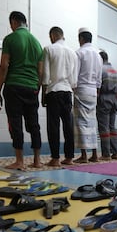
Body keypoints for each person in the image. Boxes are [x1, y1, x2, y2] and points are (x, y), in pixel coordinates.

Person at [0, 11, 43, 170]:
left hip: (14, 85)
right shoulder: (37, 43)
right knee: (34, 124)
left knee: (15, 123)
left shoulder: (10, 38)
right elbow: (41, 71)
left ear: (13, 22)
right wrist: (37, 87)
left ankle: (20, 161)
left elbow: (4, 66)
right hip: (32, 87)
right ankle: (37, 160)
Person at [42, 26, 78, 167]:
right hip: (68, 91)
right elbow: (74, 80)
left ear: (52, 35)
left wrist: (43, 94)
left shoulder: (48, 49)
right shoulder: (73, 53)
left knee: (53, 126)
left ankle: (55, 158)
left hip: (53, 91)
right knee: (68, 125)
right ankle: (69, 157)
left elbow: (45, 75)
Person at [73, 27, 103, 163]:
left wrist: (73, 88)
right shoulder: (98, 55)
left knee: (81, 123)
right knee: (92, 123)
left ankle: (84, 155)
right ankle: (95, 154)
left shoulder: (79, 53)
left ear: (81, 39)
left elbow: (75, 74)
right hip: (93, 91)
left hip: (82, 89)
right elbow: (99, 77)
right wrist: (97, 89)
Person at [97, 51, 117, 160]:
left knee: (104, 127)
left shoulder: (101, 70)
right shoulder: (116, 71)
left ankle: (106, 154)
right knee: (112, 126)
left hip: (104, 97)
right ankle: (115, 152)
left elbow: (98, 85)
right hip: (114, 99)